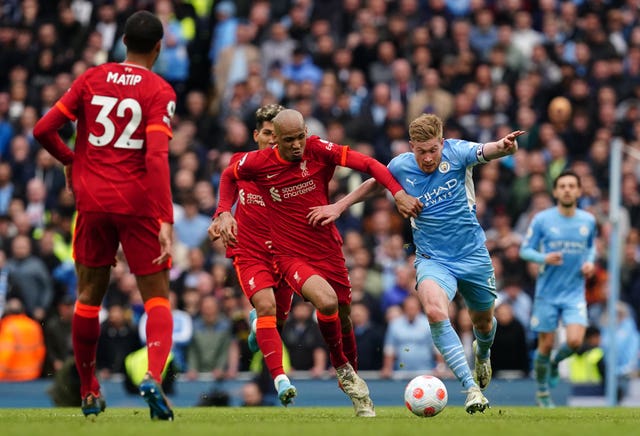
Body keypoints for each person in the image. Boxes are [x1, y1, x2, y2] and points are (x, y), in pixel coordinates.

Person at [308, 113, 526, 414]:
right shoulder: (401, 165)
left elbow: (489, 150)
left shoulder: (458, 152)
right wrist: (340, 205)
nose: (427, 158)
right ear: (412, 146)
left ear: (442, 142)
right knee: (436, 311)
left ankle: (482, 352)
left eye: (433, 150)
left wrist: (505, 146)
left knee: (484, 323)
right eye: (421, 151)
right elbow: (375, 182)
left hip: (473, 255)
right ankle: (471, 388)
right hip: (432, 259)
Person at [212, 109, 422, 417]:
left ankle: (350, 375)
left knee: (345, 316)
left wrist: (398, 194)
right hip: (289, 253)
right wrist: (223, 211)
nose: (297, 145)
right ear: (275, 142)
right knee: (326, 303)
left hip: (326, 247)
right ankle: (340, 368)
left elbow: (370, 164)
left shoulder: (318, 148)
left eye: (300, 137)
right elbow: (230, 174)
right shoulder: (259, 163)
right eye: (288, 140)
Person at [33, 11, 176, 420]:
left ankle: (89, 389)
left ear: (123, 41)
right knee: (156, 299)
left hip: (91, 202)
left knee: (88, 299)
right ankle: (151, 375)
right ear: (157, 47)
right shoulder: (159, 90)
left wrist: (71, 161)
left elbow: (44, 129)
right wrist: (165, 217)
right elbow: (156, 157)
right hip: (138, 205)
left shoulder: (91, 78)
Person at [208, 104, 299, 407]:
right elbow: (227, 182)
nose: (274, 141)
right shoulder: (242, 164)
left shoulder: (298, 167)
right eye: (268, 134)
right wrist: (222, 214)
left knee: (277, 321)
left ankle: (255, 326)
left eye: (279, 135)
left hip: (287, 251)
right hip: (250, 250)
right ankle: (280, 380)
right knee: (267, 307)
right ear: (257, 134)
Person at [519, 169, 597, 408]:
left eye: (571, 186)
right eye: (562, 186)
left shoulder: (588, 221)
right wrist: (543, 258)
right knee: (544, 344)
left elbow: (591, 247)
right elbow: (525, 250)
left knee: (574, 342)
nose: (567, 190)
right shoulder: (542, 219)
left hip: (574, 293)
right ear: (555, 191)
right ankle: (542, 393)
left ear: (579, 191)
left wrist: (590, 263)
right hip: (547, 294)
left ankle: (554, 363)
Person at [0, 297, 46, 381]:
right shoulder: (34, 325)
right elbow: (40, 351)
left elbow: (5, 354)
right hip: (32, 375)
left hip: (12, 377)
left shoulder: (8, 327)